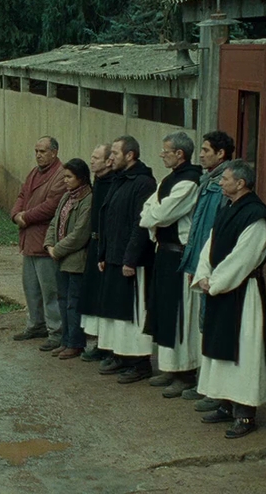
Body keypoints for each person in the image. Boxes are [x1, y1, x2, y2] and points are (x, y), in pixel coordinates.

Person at [192, 161, 266, 439]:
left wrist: (215, 283)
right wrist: (204, 274)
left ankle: (245, 415)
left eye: (225, 179)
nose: (220, 183)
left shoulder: (256, 215)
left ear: (241, 183)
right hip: (221, 289)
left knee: (244, 352)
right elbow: (211, 243)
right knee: (220, 347)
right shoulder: (227, 207)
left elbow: (245, 256)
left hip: (243, 293)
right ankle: (226, 404)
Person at [140, 131, 204, 398]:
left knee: (180, 313)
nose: (161, 155)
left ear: (180, 154)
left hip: (180, 255)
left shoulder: (190, 181)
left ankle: (185, 372)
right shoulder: (169, 179)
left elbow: (164, 213)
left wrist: (152, 216)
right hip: (163, 252)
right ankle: (168, 366)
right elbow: (148, 208)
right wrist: (152, 216)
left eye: (166, 151)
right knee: (164, 311)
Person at [179, 131, 236, 410]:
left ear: (221, 154)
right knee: (205, 326)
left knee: (213, 328)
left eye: (206, 150)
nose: (200, 155)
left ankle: (216, 392)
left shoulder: (224, 187)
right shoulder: (209, 182)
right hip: (203, 266)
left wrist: (209, 269)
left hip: (216, 270)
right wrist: (194, 264)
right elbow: (198, 230)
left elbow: (218, 234)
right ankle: (207, 384)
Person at [93, 136, 157, 384]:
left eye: (116, 154)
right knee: (116, 312)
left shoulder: (143, 183)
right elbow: (108, 219)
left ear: (130, 155)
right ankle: (121, 355)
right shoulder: (119, 180)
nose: (111, 158)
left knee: (133, 313)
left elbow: (139, 225)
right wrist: (103, 253)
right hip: (113, 256)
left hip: (132, 262)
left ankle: (140, 362)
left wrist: (130, 258)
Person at [9, 137, 67, 350]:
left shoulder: (60, 175)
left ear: (54, 152)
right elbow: (22, 194)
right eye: (36, 151)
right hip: (29, 240)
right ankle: (36, 324)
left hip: (45, 242)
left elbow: (51, 206)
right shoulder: (34, 173)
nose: (38, 155)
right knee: (31, 287)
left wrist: (26, 217)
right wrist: (16, 214)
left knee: (50, 290)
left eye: (42, 151)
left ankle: (56, 330)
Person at [45, 158, 93, 360]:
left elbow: (81, 233)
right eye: (64, 176)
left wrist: (58, 249)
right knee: (63, 300)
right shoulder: (66, 197)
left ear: (80, 178)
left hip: (76, 259)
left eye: (69, 177)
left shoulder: (88, 199)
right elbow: (55, 222)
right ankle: (65, 340)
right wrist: (49, 245)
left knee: (74, 302)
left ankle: (75, 342)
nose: (65, 180)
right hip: (60, 257)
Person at [79, 144, 115, 362]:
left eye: (96, 157)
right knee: (93, 297)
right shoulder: (98, 181)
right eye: (91, 157)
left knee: (106, 297)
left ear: (109, 161)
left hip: (108, 247)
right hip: (94, 244)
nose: (91, 161)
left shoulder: (113, 182)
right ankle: (100, 343)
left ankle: (110, 346)